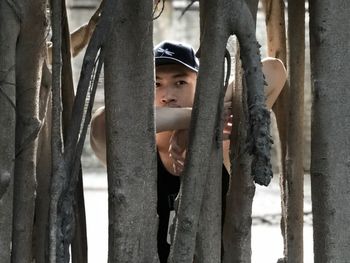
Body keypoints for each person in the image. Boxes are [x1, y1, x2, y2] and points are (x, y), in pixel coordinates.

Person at [90, 40, 287, 262]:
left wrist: (199, 123)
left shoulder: (222, 142)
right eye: (156, 84)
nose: (167, 95)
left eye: (180, 82)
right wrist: (194, 118)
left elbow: (274, 70)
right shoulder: (131, 149)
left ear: (200, 86)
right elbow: (104, 121)